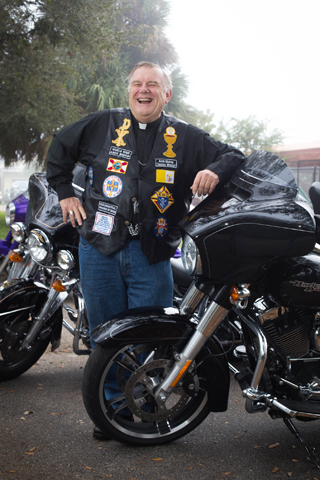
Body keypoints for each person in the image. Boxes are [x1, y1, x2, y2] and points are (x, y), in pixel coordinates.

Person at [47, 61, 245, 439]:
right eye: (137, 83)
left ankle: (151, 407)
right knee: (106, 334)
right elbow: (59, 150)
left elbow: (232, 154)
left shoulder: (184, 136)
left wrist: (215, 171)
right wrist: (65, 193)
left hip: (151, 253)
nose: (144, 90)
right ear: (129, 92)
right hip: (99, 247)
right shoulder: (102, 125)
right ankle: (113, 411)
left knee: (152, 336)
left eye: (153, 84)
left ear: (166, 94)